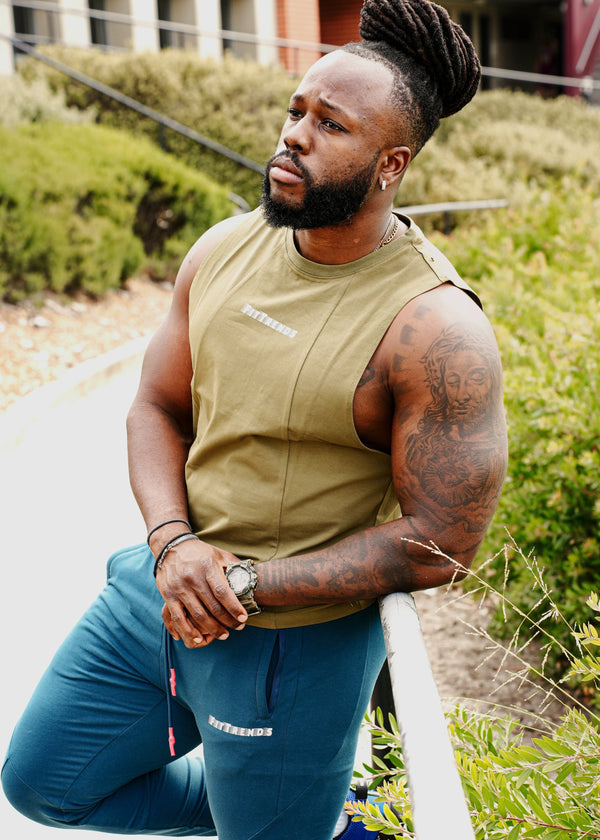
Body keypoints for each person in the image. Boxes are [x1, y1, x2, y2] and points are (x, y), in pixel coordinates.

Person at [2, 1, 507, 838]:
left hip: (291, 647)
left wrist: (238, 586)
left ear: (391, 165)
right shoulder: (222, 249)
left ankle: (300, 811)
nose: (294, 136)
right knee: (43, 783)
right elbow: (156, 405)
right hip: (159, 589)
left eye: (330, 125)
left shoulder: (436, 327)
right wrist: (174, 546)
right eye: (295, 110)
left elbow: (440, 541)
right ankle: (304, 811)